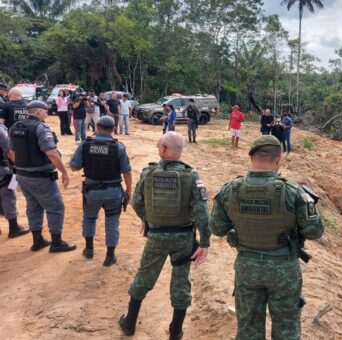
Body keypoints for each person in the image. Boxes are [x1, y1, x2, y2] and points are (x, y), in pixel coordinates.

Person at [209, 135, 324, 340]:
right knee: (287, 330)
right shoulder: (293, 192)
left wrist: (238, 230)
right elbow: (315, 231)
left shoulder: (230, 189)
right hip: (284, 272)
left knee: (248, 329)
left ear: (251, 157)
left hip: (247, 268)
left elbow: (216, 228)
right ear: (278, 160)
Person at [119, 131, 210, 339]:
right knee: (181, 283)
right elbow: (202, 213)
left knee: (144, 276)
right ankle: (176, 331)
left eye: (158, 145)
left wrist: (147, 221)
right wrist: (204, 241)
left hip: (157, 236)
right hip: (183, 238)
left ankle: (129, 323)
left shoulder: (149, 172)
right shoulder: (191, 176)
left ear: (164, 149)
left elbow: (136, 202)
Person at [8, 100, 75, 253]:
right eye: (45, 111)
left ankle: (37, 240)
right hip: (40, 175)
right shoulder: (41, 127)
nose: (47, 113)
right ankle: (56, 242)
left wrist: (22, 166)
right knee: (55, 206)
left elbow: (11, 153)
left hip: (22, 174)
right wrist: (64, 172)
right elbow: (51, 153)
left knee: (33, 206)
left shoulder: (15, 127)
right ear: (38, 112)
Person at [70, 116, 132, 267]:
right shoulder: (118, 147)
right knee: (112, 222)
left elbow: (74, 167)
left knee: (89, 218)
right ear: (113, 128)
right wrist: (129, 191)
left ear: (97, 126)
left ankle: (89, 249)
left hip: (92, 192)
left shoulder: (85, 144)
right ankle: (110, 256)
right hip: (113, 192)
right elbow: (127, 172)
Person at [0, 119, 29, 238]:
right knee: (8, 196)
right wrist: (18, 165)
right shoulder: (1, 130)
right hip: (1, 169)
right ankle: (14, 228)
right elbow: (10, 151)